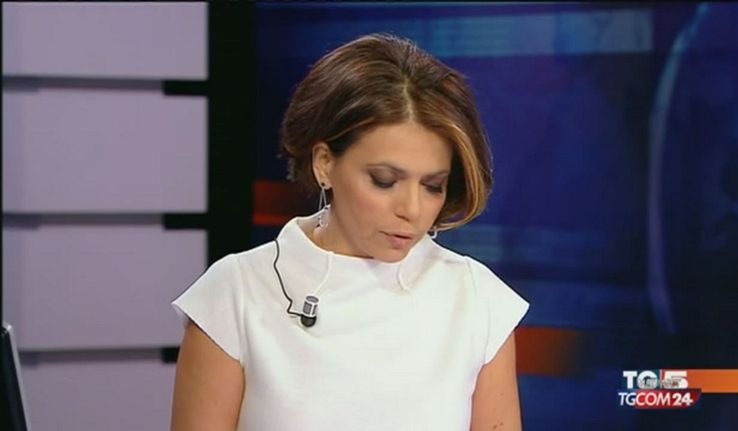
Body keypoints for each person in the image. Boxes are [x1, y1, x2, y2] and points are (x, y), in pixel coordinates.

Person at [170, 33, 529, 431]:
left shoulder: (477, 300)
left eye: (432, 186)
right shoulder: (235, 294)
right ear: (324, 163)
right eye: (384, 180)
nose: (411, 210)